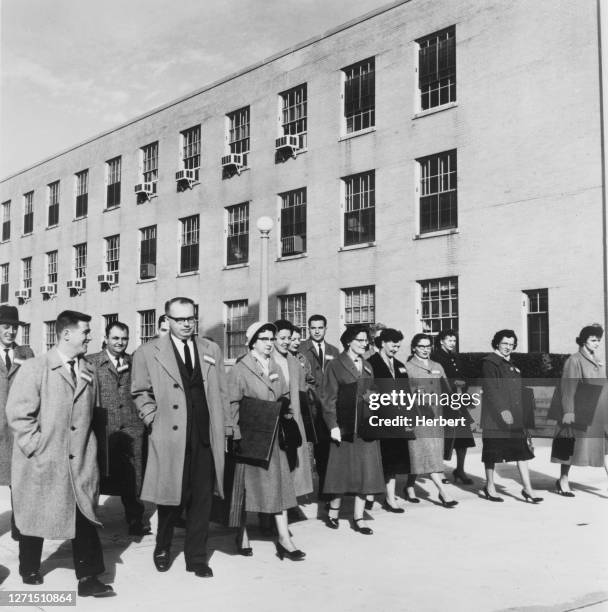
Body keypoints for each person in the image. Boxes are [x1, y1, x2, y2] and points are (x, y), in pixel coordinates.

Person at [7, 310, 114, 597]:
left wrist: (92, 452)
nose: (90, 337)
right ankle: (29, 566)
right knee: (36, 513)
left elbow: (95, 415)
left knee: (85, 515)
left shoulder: (89, 371)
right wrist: (36, 447)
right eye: (85, 332)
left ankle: (89, 577)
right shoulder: (35, 368)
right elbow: (18, 415)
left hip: (80, 460)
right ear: (67, 334)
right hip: (43, 459)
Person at [131, 297, 229, 577]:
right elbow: (140, 391)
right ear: (167, 321)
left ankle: (197, 558)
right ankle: (162, 547)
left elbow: (221, 391)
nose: (187, 324)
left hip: (204, 435)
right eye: (180, 319)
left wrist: (227, 427)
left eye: (191, 318)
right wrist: (152, 419)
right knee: (170, 497)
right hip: (170, 437)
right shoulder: (148, 352)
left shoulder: (211, 348)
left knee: (202, 499)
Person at [227, 322, 306, 560]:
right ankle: (241, 534)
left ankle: (285, 539)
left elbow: (283, 395)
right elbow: (232, 404)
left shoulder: (275, 366)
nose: (269, 343)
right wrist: (235, 435)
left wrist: (287, 413)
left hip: (274, 437)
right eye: (264, 339)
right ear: (252, 343)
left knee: (279, 488)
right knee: (245, 490)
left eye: (271, 339)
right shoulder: (240, 369)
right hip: (250, 438)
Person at [88, 321, 150, 536]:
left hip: (132, 428)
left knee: (133, 477)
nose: (120, 343)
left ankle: (135, 519)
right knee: (96, 474)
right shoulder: (92, 363)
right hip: (103, 429)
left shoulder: (134, 362)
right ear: (106, 338)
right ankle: (90, 520)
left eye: (124, 338)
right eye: (115, 338)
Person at [322, 326, 384, 535]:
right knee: (341, 471)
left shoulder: (367, 365)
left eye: (366, 341)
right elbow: (328, 398)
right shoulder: (335, 365)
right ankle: (333, 511)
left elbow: (372, 391)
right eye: (359, 340)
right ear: (349, 341)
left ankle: (359, 517)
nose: (364, 344)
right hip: (345, 426)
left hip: (365, 426)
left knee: (365, 472)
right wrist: (332, 425)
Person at [480, 329, 542, 503]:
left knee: (522, 452)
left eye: (511, 344)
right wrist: (502, 410)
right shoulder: (489, 362)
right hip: (495, 417)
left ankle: (528, 489)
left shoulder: (511, 364)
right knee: (492, 454)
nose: (508, 347)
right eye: (504, 343)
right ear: (497, 343)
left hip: (515, 417)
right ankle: (490, 486)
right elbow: (491, 389)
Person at [552, 324, 608, 495]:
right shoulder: (574, 360)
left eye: (598, 340)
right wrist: (568, 411)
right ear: (584, 340)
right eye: (593, 340)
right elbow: (568, 388)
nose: (596, 344)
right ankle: (563, 480)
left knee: (603, 448)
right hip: (580, 411)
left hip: (599, 413)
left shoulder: (598, 360)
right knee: (570, 446)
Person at [404, 333, 458, 508]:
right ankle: (443, 493)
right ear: (414, 348)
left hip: (437, 417)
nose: (425, 349)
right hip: (419, 418)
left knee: (424, 455)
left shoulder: (437, 366)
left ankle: (409, 486)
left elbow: (447, 390)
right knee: (427, 453)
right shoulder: (407, 368)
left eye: (428, 346)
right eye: (421, 346)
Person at [0, 305, 34, 540]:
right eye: (5, 327)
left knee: (19, 479)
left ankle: (19, 525)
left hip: (17, 427)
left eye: (14, 327)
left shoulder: (26, 353)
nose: (11, 332)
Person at [367, 328, 409, 513]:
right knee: (376, 459)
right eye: (392, 343)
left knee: (392, 461)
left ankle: (390, 498)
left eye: (398, 344)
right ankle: (368, 494)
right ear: (382, 343)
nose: (396, 347)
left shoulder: (400, 365)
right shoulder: (370, 364)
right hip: (378, 419)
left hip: (397, 420)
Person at [299, 314, 340, 498]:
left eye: (320, 327)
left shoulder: (334, 350)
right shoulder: (301, 349)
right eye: (313, 328)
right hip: (309, 406)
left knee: (326, 449)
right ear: (309, 329)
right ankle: (302, 492)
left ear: (325, 328)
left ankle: (325, 490)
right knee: (307, 450)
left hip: (328, 406)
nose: (316, 331)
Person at [272, 320, 313, 500]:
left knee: (292, 462)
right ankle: (268, 516)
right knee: (274, 466)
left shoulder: (294, 362)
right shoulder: (266, 359)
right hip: (273, 419)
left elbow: (302, 391)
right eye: (282, 338)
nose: (286, 342)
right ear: (273, 338)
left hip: (292, 418)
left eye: (289, 338)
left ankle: (290, 501)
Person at [431, 329, 476, 484]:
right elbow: (435, 380)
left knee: (464, 438)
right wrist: (452, 384)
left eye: (454, 341)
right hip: (444, 403)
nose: (452, 343)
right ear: (441, 341)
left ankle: (460, 470)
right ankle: (439, 472)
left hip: (458, 401)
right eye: (449, 340)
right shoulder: (435, 357)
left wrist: (464, 383)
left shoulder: (456, 356)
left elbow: (464, 374)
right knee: (444, 438)